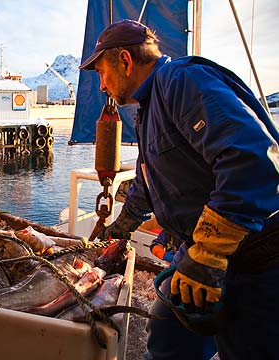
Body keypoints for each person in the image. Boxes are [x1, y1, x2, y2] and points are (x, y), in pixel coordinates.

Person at [80, 19, 279, 359]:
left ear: (125, 61)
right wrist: (122, 227)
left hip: (254, 261)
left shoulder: (182, 82)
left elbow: (251, 160)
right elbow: (147, 181)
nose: (102, 86)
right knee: (168, 342)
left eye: (102, 73)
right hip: (195, 252)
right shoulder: (149, 108)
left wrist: (208, 254)